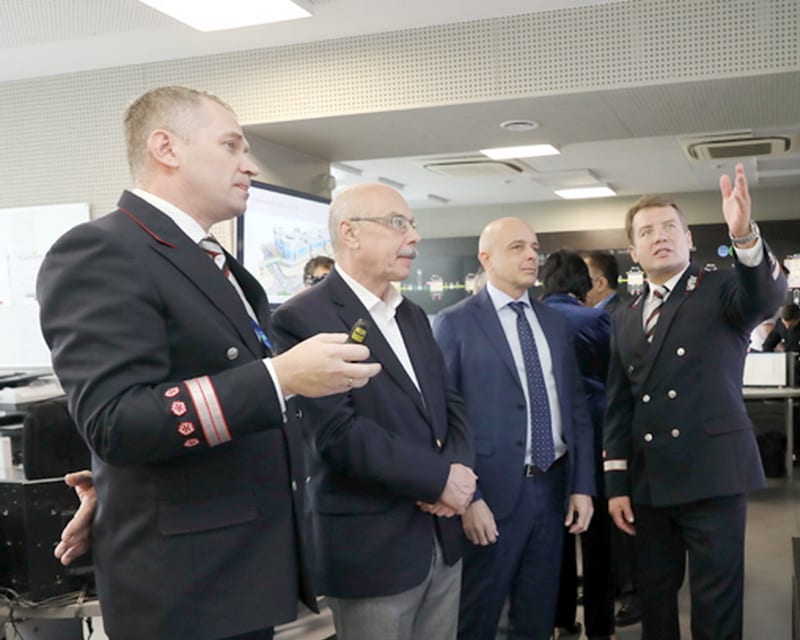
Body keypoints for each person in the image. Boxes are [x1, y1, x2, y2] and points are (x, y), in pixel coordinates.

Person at [36, 86, 381, 640]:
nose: (251, 164)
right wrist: (280, 377)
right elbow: (115, 421)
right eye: (230, 145)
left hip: (235, 568)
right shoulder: (104, 249)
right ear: (166, 148)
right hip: (183, 587)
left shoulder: (214, 262)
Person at [271, 183, 476, 640]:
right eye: (397, 224)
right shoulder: (303, 318)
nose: (414, 237)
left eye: (413, 225)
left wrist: (459, 470)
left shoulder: (412, 314)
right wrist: (439, 480)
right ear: (350, 233)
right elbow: (337, 433)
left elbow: (449, 402)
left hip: (441, 535)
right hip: (373, 549)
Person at [603, 163, 787, 640]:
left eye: (669, 227)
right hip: (649, 483)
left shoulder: (721, 288)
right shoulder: (624, 316)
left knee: (715, 605)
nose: (660, 237)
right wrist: (617, 483)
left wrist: (744, 235)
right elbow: (619, 406)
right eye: (647, 232)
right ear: (633, 251)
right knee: (655, 599)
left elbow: (766, 296)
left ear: (687, 238)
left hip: (713, 476)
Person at [433, 218, 595, 640]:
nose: (531, 256)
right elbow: (443, 421)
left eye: (535, 248)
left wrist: (582, 485)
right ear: (486, 259)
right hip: (491, 494)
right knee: (478, 617)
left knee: (537, 616)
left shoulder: (554, 323)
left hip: (553, 487)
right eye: (518, 247)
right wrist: (469, 499)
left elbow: (575, 407)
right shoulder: (455, 323)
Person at [540, 250, 615, 640]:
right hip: (596, 434)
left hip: (549, 439)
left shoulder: (533, 319)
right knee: (598, 538)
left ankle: (561, 618)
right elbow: (615, 376)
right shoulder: (594, 319)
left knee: (559, 535)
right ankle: (601, 627)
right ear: (583, 283)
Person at [583, 250, 640, 627]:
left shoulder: (618, 316)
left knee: (625, 519)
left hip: (624, 433)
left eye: (583, 277)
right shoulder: (600, 315)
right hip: (605, 432)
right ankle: (613, 585)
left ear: (600, 282)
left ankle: (633, 592)